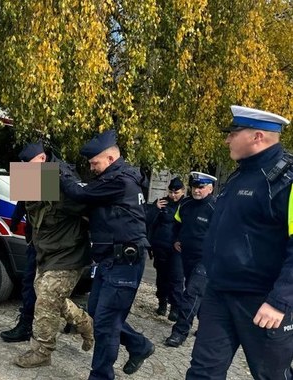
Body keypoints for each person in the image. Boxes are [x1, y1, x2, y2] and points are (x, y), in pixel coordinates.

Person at [186, 105, 293, 379]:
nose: (226, 139)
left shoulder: (285, 180)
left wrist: (280, 301)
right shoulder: (239, 175)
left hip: (263, 301)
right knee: (202, 372)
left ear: (257, 136)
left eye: (233, 132)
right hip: (219, 293)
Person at [59, 129, 155, 379]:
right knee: (98, 314)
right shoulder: (112, 179)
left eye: (94, 163)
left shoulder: (119, 181)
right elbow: (32, 200)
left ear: (110, 159)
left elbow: (80, 194)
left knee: (106, 324)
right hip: (107, 260)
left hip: (123, 260)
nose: (91, 168)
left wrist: (60, 174)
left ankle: (101, 376)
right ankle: (139, 345)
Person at [13, 141, 94, 368]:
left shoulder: (62, 181)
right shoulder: (36, 175)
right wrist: (15, 221)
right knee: (47, 296)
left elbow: (91, 209)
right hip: (45, 252)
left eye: (28, 166)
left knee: (47, 299)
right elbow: (28, 207)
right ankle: (84, 322)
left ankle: (42, 351)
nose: (25, 171)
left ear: (41, 159)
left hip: (68, 253)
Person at [164, 172, 216, 348]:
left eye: (201, 187)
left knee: (191, 293)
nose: (196, 190)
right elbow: (177, 224)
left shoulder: (216, 208)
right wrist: (176, 239)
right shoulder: (185, 204)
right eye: (194, 187)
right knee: (199, 295)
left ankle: (179, 332)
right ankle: (208, 327)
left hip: (206, 260)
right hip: (186, 255)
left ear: (210, 188)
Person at [145, 177, 185, 321]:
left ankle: (175, 307)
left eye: (176, 192)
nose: (173, 195)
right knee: (162, 278)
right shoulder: (162, 202)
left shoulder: (186, 205)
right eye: (171, 192)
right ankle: (162, 302)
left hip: (177, 249)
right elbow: (149, 222)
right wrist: (155, 209)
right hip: (160, 246)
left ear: (183, 191)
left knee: (176, 278)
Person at [0, 200, 36, 342]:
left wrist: (15, 221)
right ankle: (27, 324)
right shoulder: (36, 178)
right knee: (33, 284)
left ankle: (27, 325)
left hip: (48, 243)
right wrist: (14, 222)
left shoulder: (53, 178)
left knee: (36, 285)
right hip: (37, 241)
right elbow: (23, 200)